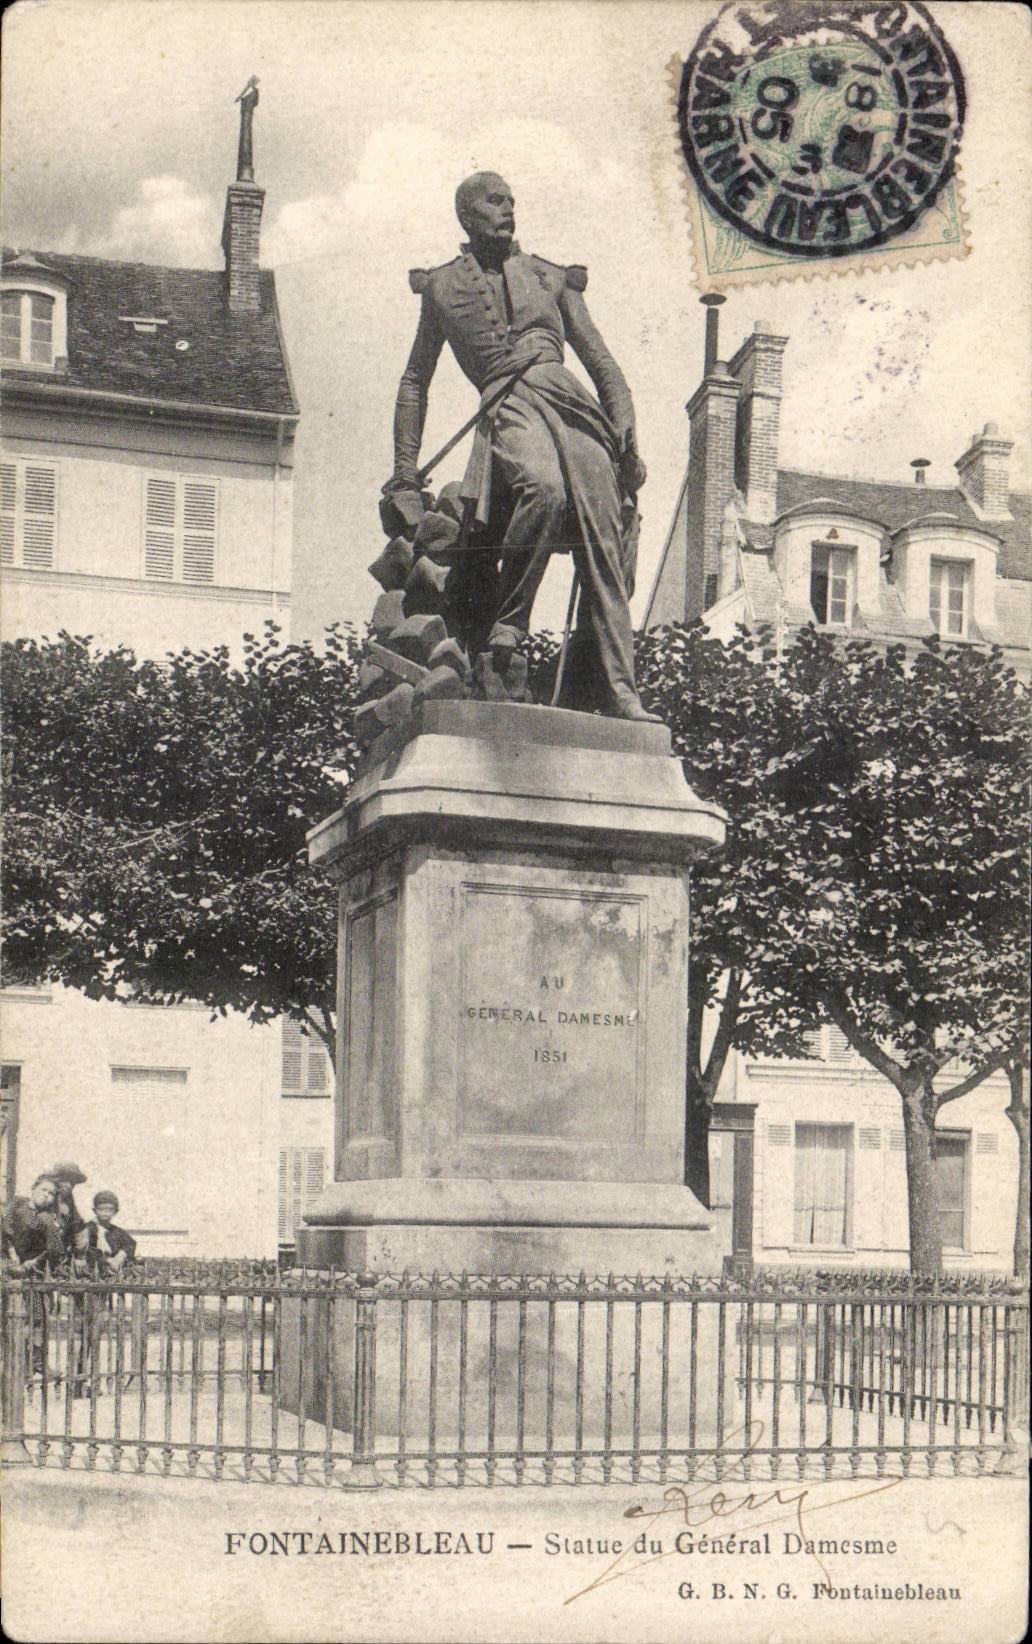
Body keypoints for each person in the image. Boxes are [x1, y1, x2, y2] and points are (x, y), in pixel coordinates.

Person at [384, 171, 659, 722]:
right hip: (506, 404)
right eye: (494, 201)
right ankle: (510, 625)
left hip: (571, 403)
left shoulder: (551, 277)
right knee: (543, 490)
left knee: (603, 530)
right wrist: (404, 467)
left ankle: (621, 688)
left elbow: (601, 360)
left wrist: (624, 419)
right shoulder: (440, 287)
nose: (508, 208)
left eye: (512, 199)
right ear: (466, 215)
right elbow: (416, 379)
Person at [1, 1175, 64, 1275]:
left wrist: (32, 1263)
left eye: (51, 1194)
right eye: (44, 1189)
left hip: (32, 1269)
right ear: (34, 1188)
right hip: (7, 1258)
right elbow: (5, 1226)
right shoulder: (18, 1203)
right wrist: (11, 1251)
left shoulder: (48, 1218)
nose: (46, 1195)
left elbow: (54, 1250)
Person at [44, 1160, 89, 1268]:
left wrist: (80, 1256)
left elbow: (78, 1226)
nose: (68, 1185)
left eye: (72, 1183)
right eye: (65, 1180)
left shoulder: (68, 1201)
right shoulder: (45, 1195)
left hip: (60, 1254)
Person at [82, 1192, 137, 1276]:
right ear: (94, 1210)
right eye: (101, 1209)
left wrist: (121, 1255)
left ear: (115, 1211)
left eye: (110, 1209)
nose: (105, 1213)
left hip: (114, 1270)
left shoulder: (116, 1231)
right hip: (92, 1270)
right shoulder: (87, 1228)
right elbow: (87, 1248)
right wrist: (107, 1260)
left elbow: (130, 1243)